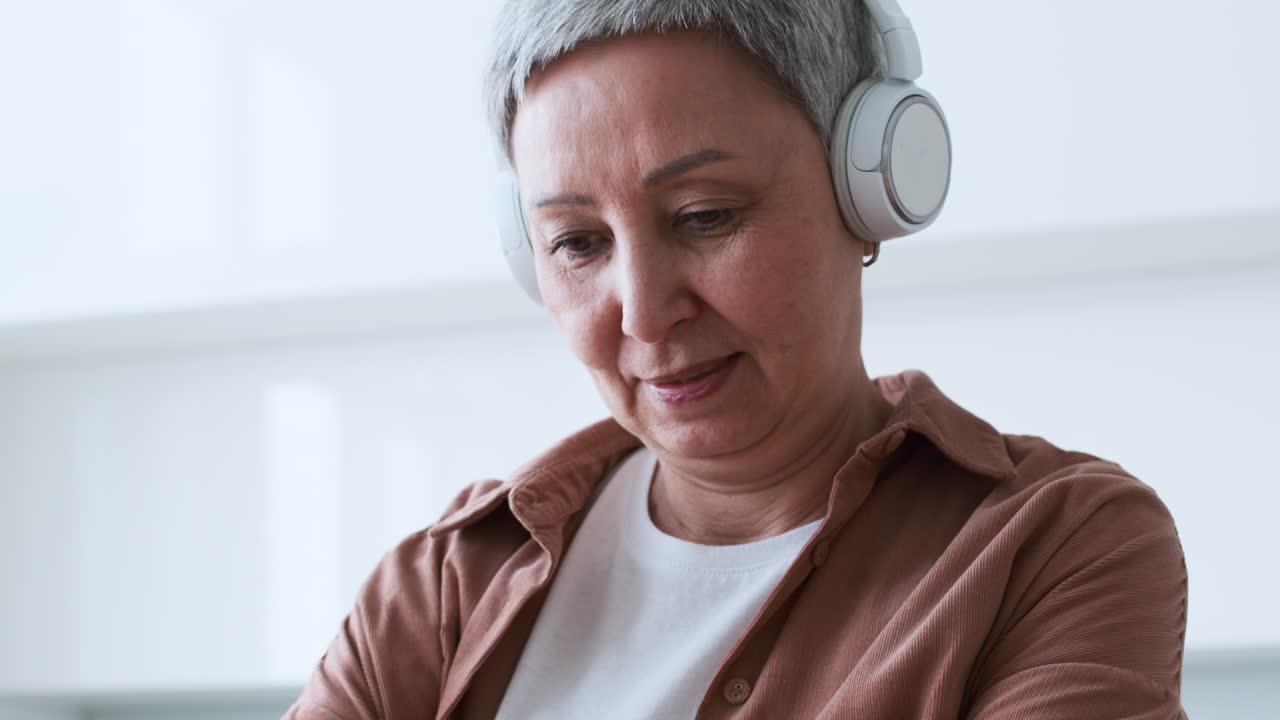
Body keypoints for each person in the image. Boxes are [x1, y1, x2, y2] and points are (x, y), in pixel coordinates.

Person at [285, 1, 1189, 718]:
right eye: (576, 243)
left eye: (706, 215)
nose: (643, 313)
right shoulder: (442, 585)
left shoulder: (1056, 548)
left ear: (868, 188)